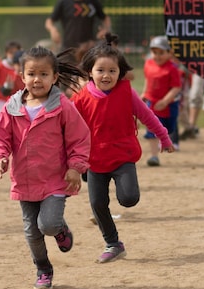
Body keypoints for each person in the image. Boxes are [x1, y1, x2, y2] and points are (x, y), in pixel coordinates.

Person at [0, 46, 90, 289]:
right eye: (31, 74)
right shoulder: (11, 107)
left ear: (54, 77)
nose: (37, 79)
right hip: (25, 180)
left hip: (55, 179)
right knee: (32, 232)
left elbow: (79, 138)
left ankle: (61, 229)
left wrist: (75, 167)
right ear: (21, 76)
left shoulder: (62, 106)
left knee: (49, 224)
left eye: (44, 74)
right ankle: (43, 269)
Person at [71, 33, 174, 264]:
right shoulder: (80, 98)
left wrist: (164, 138)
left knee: (128, 199)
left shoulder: (126, 92)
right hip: (95, 160)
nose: (106, 75)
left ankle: (123, 194)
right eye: (100, 70)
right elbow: (66, 125)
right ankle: (113, 244)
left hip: (122, 157)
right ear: (90, 72)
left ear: (120, 73)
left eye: (112, 71)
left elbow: (147, 116)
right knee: (97, 204)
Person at [45, 0, 111, 51]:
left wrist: (106, 29)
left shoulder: (93, 2)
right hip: (68, 48)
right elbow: (49, 21)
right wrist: (53, 30)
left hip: (89, 47)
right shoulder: (64, 2)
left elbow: (105, 18)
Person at [141, 36, 182, 165]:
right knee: (151, 129)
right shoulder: (148, 64)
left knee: (168, 128)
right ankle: (154, 156)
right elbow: (148, 79)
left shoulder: (172, 68)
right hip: (152, 103)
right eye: (155, 53)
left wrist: (165, 101)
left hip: (169, 105)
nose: (157, 56)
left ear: (169, 53)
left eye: (161, 53)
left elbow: (176, 87)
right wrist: (145, 93)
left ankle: (168, 140)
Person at [0, 41, 24, 115]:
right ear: (6, 53)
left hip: (17, 99)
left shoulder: (21, 68)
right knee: (1, 117)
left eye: (15, 53)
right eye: (11, 52)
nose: (13, 55)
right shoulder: (1, 65)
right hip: (2, 98)